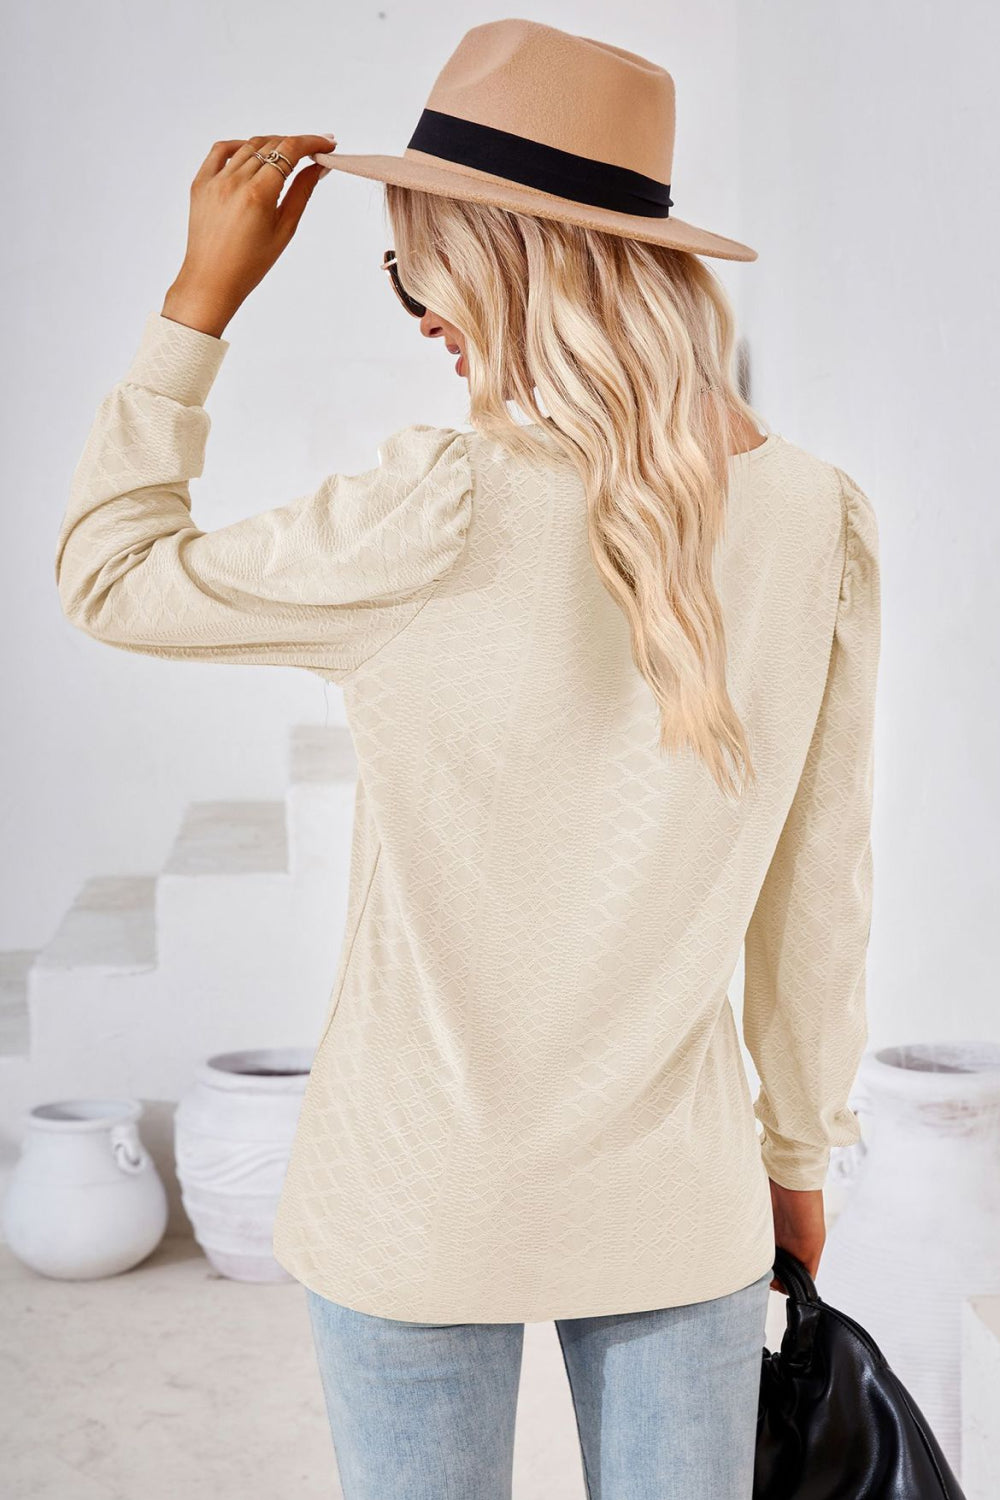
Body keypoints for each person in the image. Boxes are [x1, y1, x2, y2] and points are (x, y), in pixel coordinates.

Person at [54, 19, 881, 1500]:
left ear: (505, 262)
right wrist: (798, 1154)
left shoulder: (434, 512)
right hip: (677, 1189)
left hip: (415, 1191)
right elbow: (820, 890)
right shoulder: (817, 517)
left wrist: (199, 302)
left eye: (414, 269)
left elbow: (110, 575)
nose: (420, 312)